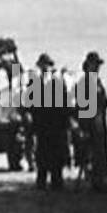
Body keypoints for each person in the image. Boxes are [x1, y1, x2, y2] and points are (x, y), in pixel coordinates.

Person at [27, 53, 74, 191]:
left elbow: (64, 102)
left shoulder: (58, 82)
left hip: (56, 124)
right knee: (42, 154)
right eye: (43, 65)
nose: (46, 68)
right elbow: (29, 103)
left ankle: (56, 181)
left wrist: (66, 120)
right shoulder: (35, 82)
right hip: (42, 124)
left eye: (48, 65)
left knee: (56, 154)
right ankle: (41, 181)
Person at [75, 52, 107, 191]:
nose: (97, 68)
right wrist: (84, 127)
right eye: (95, 65)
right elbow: (81, 106)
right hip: (91, 123)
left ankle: (101, 179)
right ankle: (96, 181)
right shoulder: (85, 83)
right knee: (93, 153)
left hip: (100, 121)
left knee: (101, 152)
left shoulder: (96, 81)